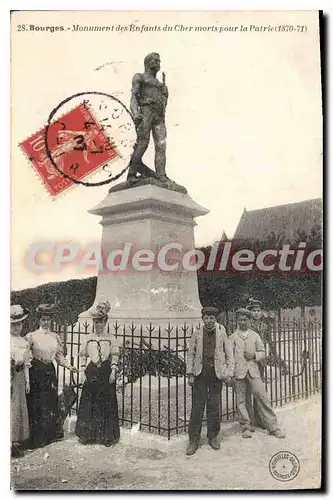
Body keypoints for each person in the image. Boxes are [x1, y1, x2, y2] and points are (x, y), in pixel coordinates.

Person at [229, 308, 286, 439]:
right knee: (241, 400)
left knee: (262, 396)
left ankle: (273, 426)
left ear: (249, 321)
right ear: (237, 321)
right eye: (240, 320)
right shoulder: (232, 337)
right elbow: (229, 357)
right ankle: (246, 427)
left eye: (245, 320)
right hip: (239, 372)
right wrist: (231, 373)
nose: (242, 322)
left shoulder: (255, 336)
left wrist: (254, 355)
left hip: (253, 371)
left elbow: (262, 352)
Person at [26, 303, 76, 449]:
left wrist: (69, 366)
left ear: (51, 320)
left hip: (49, 371)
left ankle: (49, 435)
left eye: (48, 319)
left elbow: (59, 357)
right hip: (36, 371)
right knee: (37, 403)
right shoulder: (32, 336)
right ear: (39, 320)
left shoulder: (55, 337)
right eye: (43, 319)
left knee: (49, 402)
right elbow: (28, 356)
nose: (46, 322)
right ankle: (37, 437)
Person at [186, 306, 234, 455]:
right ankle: (194, 440)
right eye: (206, 318)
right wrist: (190, 373)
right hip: (200, 374)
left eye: (211, 318)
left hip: (216, 374)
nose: (209, 321)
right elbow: (191, 355)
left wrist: (228, 373)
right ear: (202, 319)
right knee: (197, 407)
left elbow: (229, 355)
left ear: (215, 319)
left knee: (214, 405)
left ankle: (213, 437)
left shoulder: (222, 334)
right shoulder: (196, 334)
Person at [75, 301, 120, 446]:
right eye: (96, 322)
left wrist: (113, 371)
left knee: (106, 403)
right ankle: (87, 436)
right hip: (92, 370)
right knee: (89, 403)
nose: (98, 324)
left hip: (106, 371)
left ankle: (107, 437)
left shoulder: (111, 338)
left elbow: (115, 355)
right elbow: (83, 356)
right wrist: (82, 372)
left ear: (105, 321)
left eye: (100, 321)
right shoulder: (88, 338)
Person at [127, 52, 169, 183]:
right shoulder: (140, 77)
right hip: (145, 111)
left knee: (161, 145)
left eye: (159, 61)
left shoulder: (160, 84)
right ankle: (132, 173)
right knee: (143, 143)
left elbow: (164, 104)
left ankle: (161, 174)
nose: (158, 63)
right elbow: (134, 96)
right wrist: (135, 113)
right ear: (148, 62)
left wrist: (165, 95)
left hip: (159, 115)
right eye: (155, 60)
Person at [10, 305, 31, 458]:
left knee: (19, 408)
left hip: (20, 378)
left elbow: (26, 364)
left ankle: (16, 440)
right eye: (14, 324)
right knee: (9, 409)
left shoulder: (24, 341)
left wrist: (28, 381)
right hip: (9, 376)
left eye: (19, 324)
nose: (17, 327)